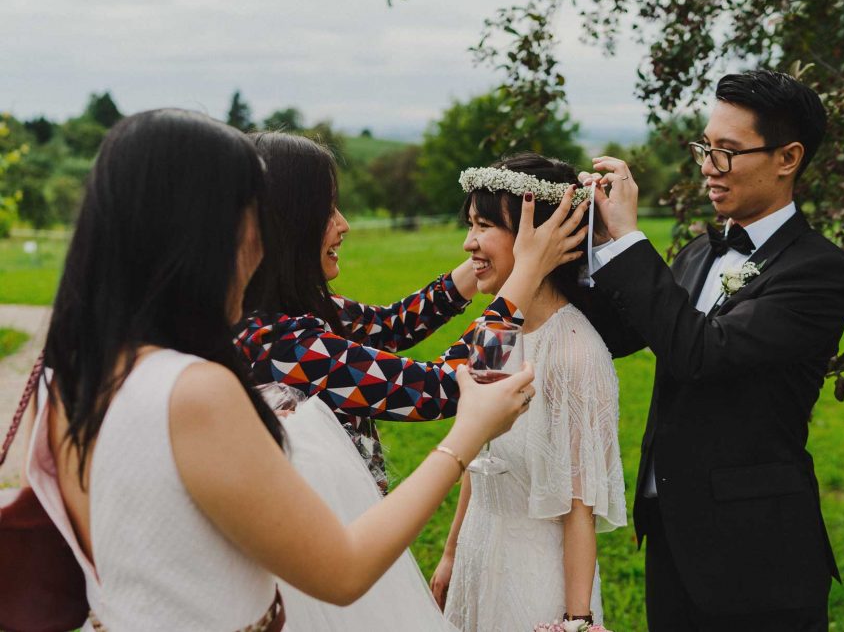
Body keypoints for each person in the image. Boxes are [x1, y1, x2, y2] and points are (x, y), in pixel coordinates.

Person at [22, 109, 578, 630]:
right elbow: (343, 565)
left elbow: (387, 326)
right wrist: (467, 433)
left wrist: (487, 258)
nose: (257, 236)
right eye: (247, 212)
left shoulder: (66, 374)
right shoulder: (215, 375)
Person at [575, 70, 844, 630]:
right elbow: (622, 332)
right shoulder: (699, 251)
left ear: (788, 158)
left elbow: (700, 353)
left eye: (727, 152)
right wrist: (576, 243)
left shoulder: (820, 270)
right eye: (705, 146)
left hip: (758, 553)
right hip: (671, 530)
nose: (707, 165)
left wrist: (633, 243)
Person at [237, 132, 564, 492]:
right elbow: (442, 389)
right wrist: (526, 273)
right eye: (327, 210)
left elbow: (390, 326)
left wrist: (489, 256)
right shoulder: (281, 345)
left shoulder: (280, 312)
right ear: (288, 224)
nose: (343, 224)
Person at [430, 153, 627, 632]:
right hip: (479, 555)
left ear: (535, 234)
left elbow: (580, 510)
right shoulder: (498, 334)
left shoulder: (575, 353)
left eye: (482, 225)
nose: (468, 242)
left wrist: (576, 620)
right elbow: (478, 454)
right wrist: (452, 553)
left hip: (536, 584)